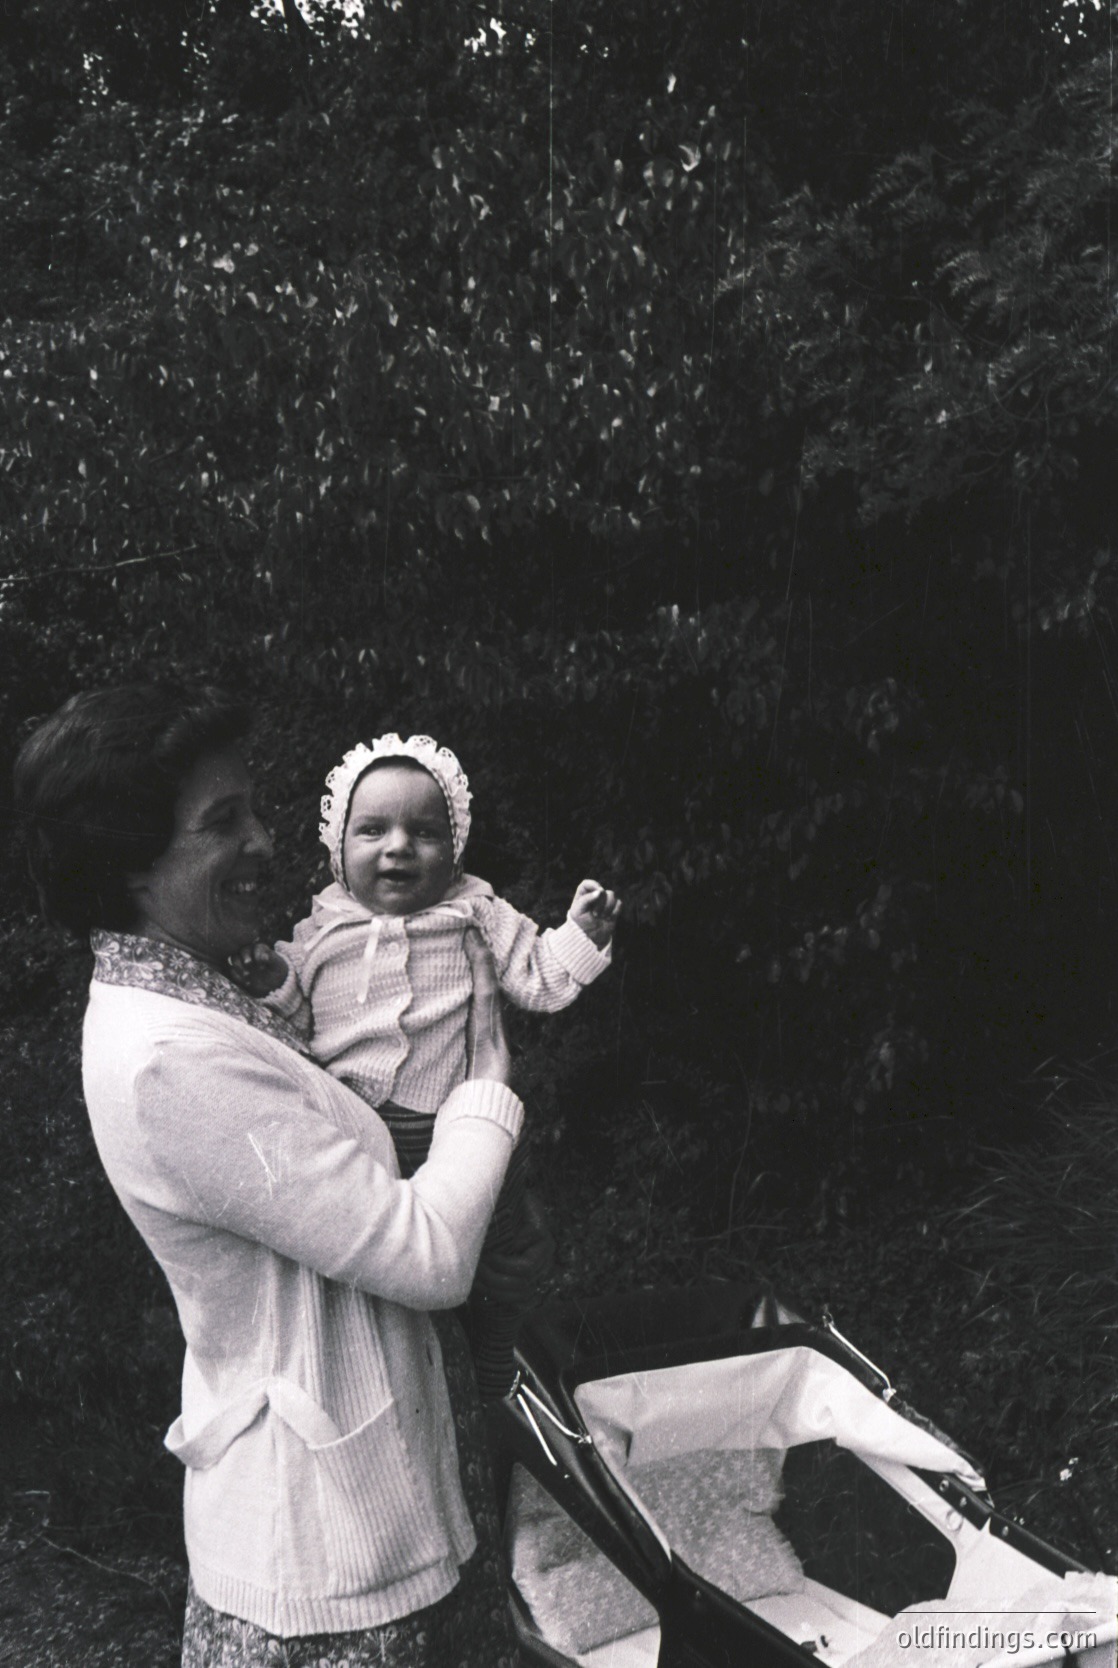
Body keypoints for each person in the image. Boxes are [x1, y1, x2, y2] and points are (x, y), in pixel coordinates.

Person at [13, 684, 543, 1668]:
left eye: (254, 809)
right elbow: (423, 1254)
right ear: (130, 866)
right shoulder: (168, 1057)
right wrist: (483, 1090)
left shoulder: (215, 995)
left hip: (369, 1510)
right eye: (222, 823)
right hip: (327, 1569)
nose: (264, 839)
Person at [231, 731, 620, 1396]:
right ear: (338, 848)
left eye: (424, 831)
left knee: (505, 1253)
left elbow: (537, 978)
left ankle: (505, 1355)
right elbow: (296, 1020)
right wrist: (273, 978)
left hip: (460, 1125)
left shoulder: (475, 912)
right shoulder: (321, 928)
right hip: (355, 1130)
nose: (398, 847)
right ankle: (401, 1371)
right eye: (373, 829)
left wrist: (581, 937)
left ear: (455, 848)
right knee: (378, 1256)